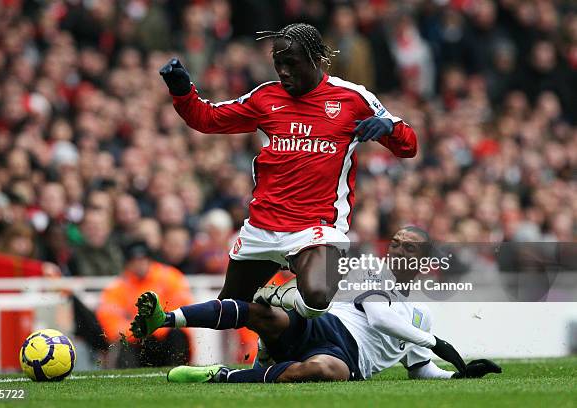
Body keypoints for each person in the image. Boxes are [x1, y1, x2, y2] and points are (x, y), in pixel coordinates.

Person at [160, 23, 417, 319]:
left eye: (290, 63)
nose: (282, 71)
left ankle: (278, 297)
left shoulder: (352, 98)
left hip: (315, 227)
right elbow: (208, 119)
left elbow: (408, 146)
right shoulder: (265, 98)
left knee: (317, 298)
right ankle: (266, 350)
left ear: (316, 60)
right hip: (264, 225)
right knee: (233, 307)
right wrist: (182, 92)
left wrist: (391, 126)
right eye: (277, 64)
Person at [130, 226, 501, 383]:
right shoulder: (369, 268)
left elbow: (420, 371)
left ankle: (220, 376)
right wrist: (437, 342)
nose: (398, 248)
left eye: (410, 247)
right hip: (326, 326)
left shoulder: (422, 314)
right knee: (260, 312)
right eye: (397, 242)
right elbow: (379, 316)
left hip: (347, 360)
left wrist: (459, 375)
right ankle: (166, 318)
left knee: (321, 370)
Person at [96, 239, 193, 367]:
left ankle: (178, 370)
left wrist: (151, 327)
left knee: (177, 334)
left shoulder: (170, 277)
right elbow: (111, 326)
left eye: (142, 259)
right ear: (128, 263)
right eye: (134, 261)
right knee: (124, 344)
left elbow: (183, 313)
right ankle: (130, 383)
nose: (139, 264)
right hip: (138, 343)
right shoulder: (118, 287)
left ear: (149, 259)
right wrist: (145, 328)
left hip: (165, 339)